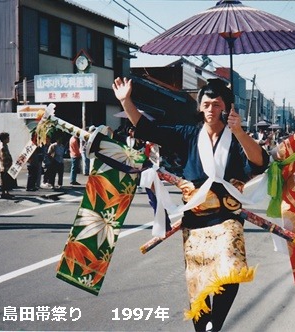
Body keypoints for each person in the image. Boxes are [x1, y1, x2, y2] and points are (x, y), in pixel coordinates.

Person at [113, 77, 268, 332]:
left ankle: (214, 326)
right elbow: (149, 130)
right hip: (195, 221)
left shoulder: (236, 137)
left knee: (230, 268)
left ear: (226, 108)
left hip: (227, 216)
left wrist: (240, 132)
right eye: (206, 104)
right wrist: (126, 101)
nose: (210, 109)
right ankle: (203, 328)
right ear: (200, 107)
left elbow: (259, 163)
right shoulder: (188, 135)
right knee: (198, 280)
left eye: (216, 104)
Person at [0, 132, 14, 199]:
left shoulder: (4, 145)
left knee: (7, 180)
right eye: (7, 138)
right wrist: (9, 162)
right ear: (4, 139)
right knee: (5, 181)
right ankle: (4, 193)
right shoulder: (3, 147)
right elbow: (4, 157)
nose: (9, 139)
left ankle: (7, 192)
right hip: (5, 166)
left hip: (6, 166)